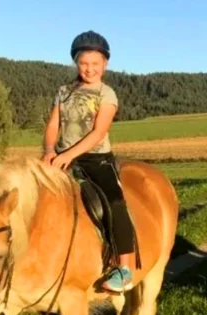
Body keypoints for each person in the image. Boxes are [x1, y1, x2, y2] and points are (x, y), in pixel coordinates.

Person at [42, 30, 137, 293]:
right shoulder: (63, 92)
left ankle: (125, 268)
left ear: (105, 64)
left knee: (115, 203)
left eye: (96, 64)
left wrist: (67, 156)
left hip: (96, 160)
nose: (89, 69)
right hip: (60, 157)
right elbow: (53, 124)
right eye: (84, 63)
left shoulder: (106, 94)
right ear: (76, 62)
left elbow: (98, 133)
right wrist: (50, 149)